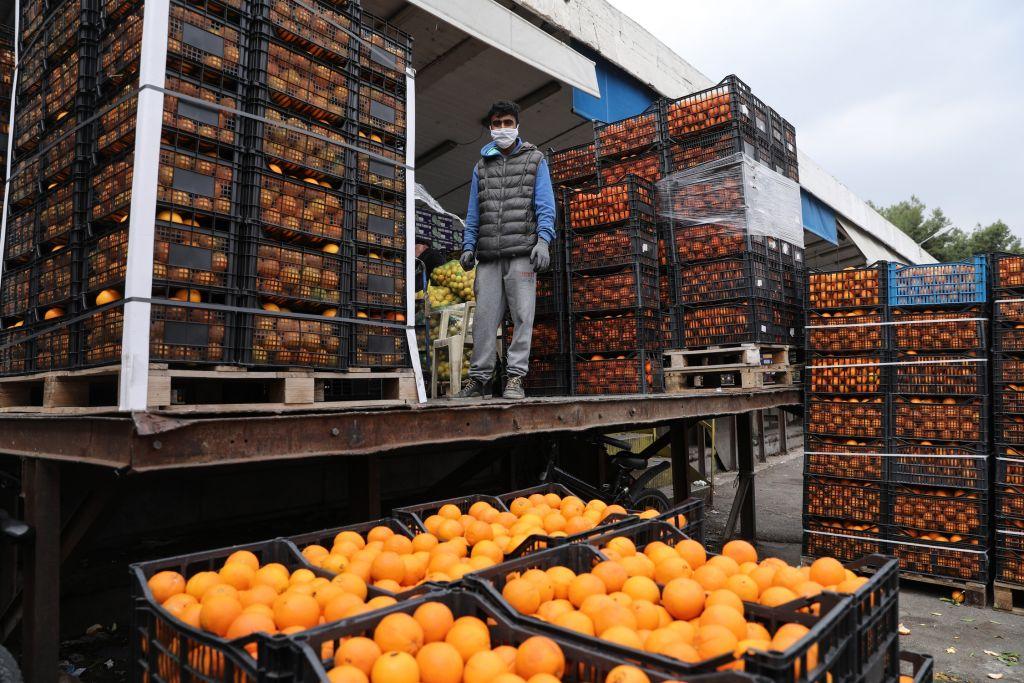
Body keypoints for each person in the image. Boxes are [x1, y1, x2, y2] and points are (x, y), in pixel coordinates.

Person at [451, 100, 556, 400]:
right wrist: (468, 245)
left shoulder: (535, 160)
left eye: (507, 123)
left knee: (523, 316)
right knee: (483, 320)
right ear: (490, 127)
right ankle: (480, 378)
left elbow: (545, 205)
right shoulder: (481, 166)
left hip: (522, 253)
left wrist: (544, 241)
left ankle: (515, 378)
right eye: (496, 124)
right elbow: (474, 212)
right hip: (488, 256)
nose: (501, 129)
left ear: (517, 125)